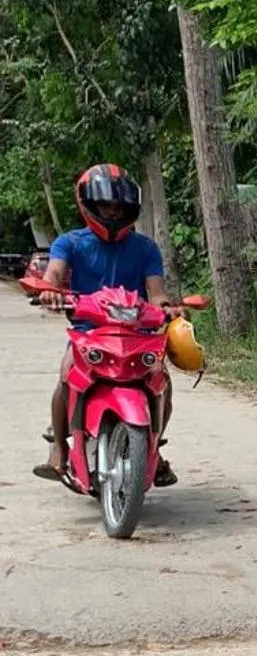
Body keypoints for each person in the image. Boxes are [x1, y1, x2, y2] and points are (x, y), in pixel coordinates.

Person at [35, 165, 173, 484]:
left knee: (161, 381)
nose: (112, 212)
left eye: (119, 207)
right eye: (105, 206)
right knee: (67, 373)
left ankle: (153, 451)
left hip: (137, 334)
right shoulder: (69, 243)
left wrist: (168, 309)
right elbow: (53, 275)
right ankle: (59, 449)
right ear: (88, 205)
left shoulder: (145, 248)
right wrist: (49, 292)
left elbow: (157, 293)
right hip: (89, 332)